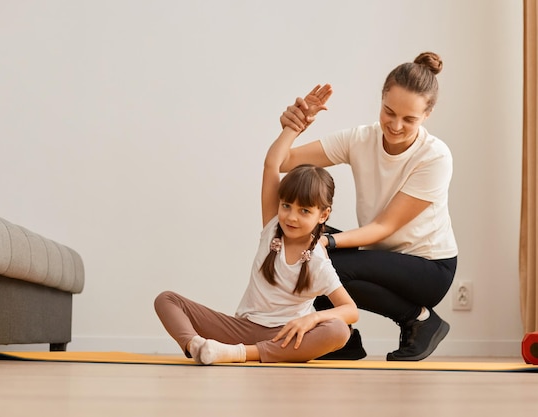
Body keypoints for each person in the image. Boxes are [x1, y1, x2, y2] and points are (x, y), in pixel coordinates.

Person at [154, 85, 359, 364]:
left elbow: (350, 310)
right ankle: (199, 347)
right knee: (167, 300)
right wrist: (296, 124)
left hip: (285, 338)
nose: (291, 217)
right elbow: (271, 164)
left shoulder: (318, 262)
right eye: (287, 206)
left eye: (304, 211)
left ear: (323, 215)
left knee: (339, 331)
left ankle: (237, 354)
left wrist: (312, 319)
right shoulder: (272, 226)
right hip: (241, 328)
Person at [278, 52, 458, 361]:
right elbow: (283, 161)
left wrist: (327, 241)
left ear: (427, 115)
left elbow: (383, 228)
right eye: (389, 112)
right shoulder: (360, 139)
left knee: (323, 258)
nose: (396, 125)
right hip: (382, 255)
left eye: (409, 119)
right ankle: (342, 340)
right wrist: (294, 127)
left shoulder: (435, 157)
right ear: (382, 99)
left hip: (429, 268)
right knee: (297, 241)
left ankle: (421, 319)